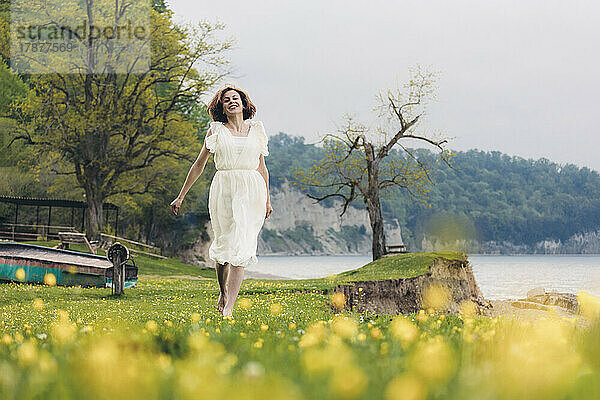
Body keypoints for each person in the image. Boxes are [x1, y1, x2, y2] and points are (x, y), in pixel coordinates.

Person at [170, 86, 273, 318]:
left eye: (235, 98)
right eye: (226, 100)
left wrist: (267, 200)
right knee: (224, 246)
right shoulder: (215, 131)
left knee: (242, 246)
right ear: (222, 107)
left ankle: (229, 308)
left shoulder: (257, 130)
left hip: (251, 191)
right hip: (224, 189)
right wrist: (181, 195)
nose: (231, 102)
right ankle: (223, 291)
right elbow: (199, 165)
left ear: (244, 104)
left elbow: (263, 169)